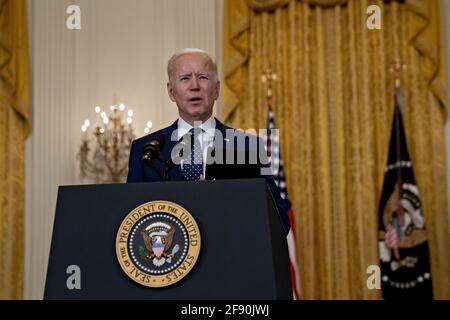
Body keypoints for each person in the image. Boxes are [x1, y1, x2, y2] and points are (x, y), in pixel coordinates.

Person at [126, 48, 290, 234]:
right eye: (185, 78)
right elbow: (131, 218)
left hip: (229, 255)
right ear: (171, 92)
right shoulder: (147, 150)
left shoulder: (247, 146)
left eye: (203, 77)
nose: (194, 85)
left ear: (217, 90)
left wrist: (227, 202)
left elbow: (279, 219)